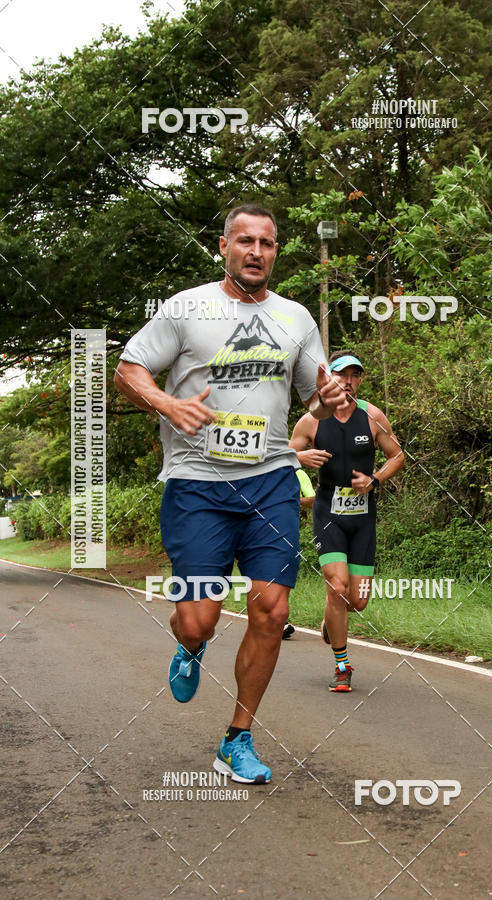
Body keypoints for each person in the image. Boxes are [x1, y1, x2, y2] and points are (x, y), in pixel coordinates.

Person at [114, 204, 345, 783]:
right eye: (245, 241)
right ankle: (189, 646)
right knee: (198, 620)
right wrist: (167, 403)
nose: (256, 252)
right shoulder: (187, 308)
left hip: (268, 481)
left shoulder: (295, 319)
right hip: (197, 485)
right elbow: (129, 368)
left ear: (275, 251)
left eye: (267, 243)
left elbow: (312, 395)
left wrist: (331, 395)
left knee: (272, 609)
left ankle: (236, 739)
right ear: (223, 247)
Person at [289, 351, 405, 691]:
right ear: (328, 379)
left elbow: (397, 454)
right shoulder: (311, 420)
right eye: (342, 375)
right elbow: (281, 454)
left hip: (363, 516)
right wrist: (300, 456)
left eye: (355, 375)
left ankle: (331, 621)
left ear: (360, 380)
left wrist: (375, 480)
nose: (348, 381)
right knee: (336, 588)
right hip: (328, 512)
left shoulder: (372, 416)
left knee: (358, 600)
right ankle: (342, 665)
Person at [281, 468, 315, 640]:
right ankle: (279, 620)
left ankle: (280, 620)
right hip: (260, 528)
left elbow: (313, 499)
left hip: (288, 529)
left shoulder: (298, 473)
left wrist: (293, 500)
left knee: (283, 573)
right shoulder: (265, 469)